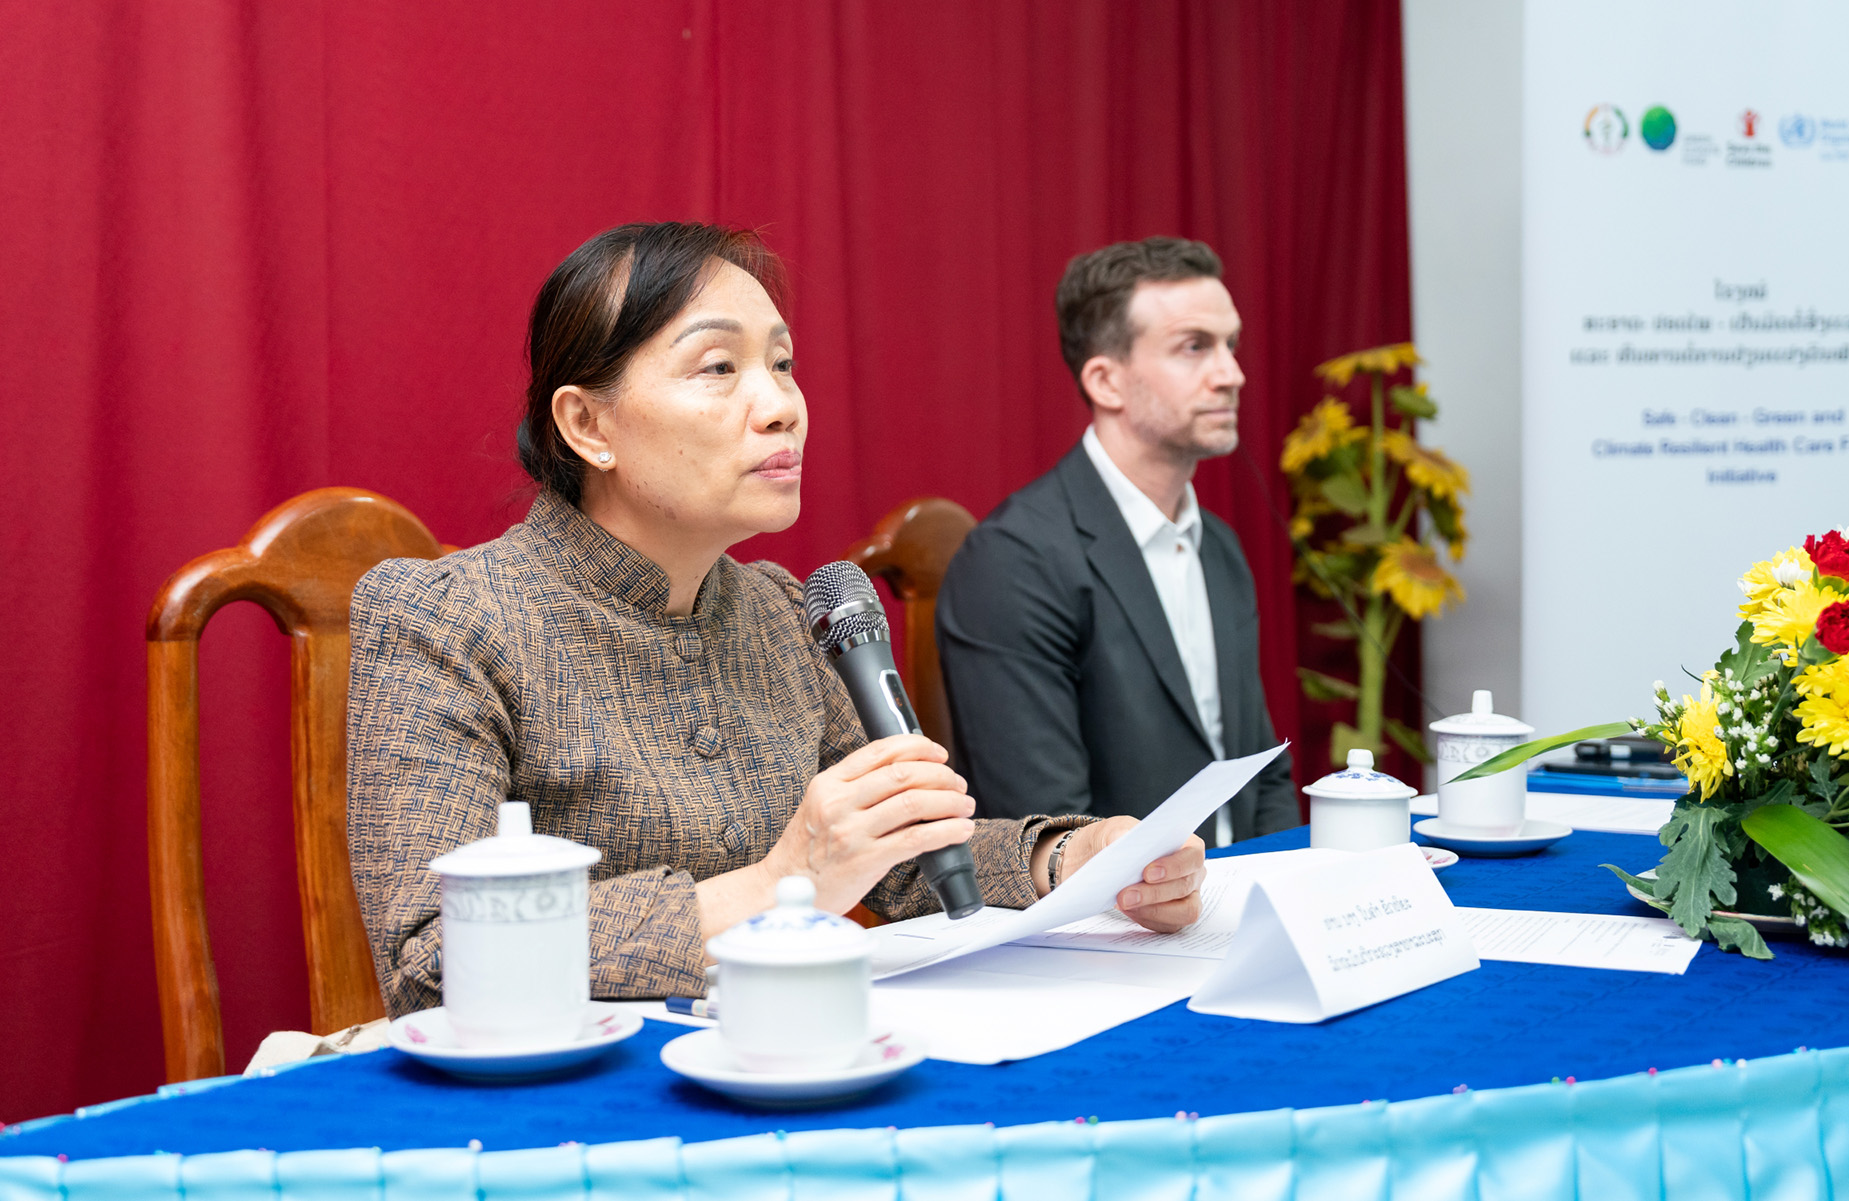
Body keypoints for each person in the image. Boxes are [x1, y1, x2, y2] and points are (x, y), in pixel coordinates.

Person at [346, 222, 1207, 1018]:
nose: (783, 406)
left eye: (784, 364)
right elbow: (433, 956)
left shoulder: (782, 612)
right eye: (718, 367)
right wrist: (781, 881)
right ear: (587, 423)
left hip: (789, 1057)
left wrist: (1073, 859)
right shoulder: (446, 620)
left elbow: (901, 861)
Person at [936, 237, 1296, 847]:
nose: (1232, 374)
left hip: (1241, 898)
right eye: (1194, 347)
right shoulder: (1013, 563)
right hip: (1115, 924)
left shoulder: (1221, 550)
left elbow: (1265, 776)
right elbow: (1045, 829)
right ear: (1107, 381)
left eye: (1230, 344)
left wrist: (1280, 888)